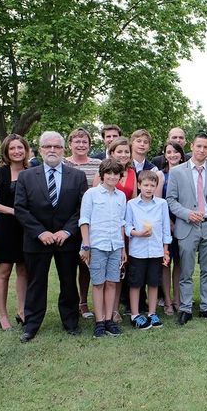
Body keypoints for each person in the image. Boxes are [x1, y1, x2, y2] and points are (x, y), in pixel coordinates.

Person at [14, 131, 88, 342]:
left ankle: (71, 322)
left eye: (57, 146)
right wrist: (40, 232)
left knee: (68, 282)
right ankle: (32, 325)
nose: (52, 150)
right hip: (37, 240)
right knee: (36, 283)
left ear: (63, 150)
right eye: (48, 146)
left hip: (67, 239)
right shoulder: (26, 176)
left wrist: (67, 230)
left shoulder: (77, 176)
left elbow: (81, 208)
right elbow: (20, 208)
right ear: (40, 150)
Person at [166, 133, 207, 325]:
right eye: (198, 146)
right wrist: (186, 214)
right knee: (186, 270)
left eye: (205, 147)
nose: (202, 150)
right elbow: (171, 200)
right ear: (192, 146)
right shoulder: (177, 172)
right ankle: (185, 308)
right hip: (187, 225)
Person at [78, 159, 127, 338]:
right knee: (98, 284)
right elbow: (84, 221)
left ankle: (108, 320)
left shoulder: (121, 197)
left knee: (112, 282)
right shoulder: (91, 194)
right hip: (97, 245)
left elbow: (122, 223)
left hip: (115, 245)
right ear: (102, 175)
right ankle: (99, 322)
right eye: (109, 173)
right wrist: (86, 246)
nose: (112, 177)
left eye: (116, 174)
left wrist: (123, 248)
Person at [92, 137, 137, 322]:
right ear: (111, 152)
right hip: (103, 231)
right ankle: (100, 313)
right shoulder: (102, 173)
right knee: (101, 272)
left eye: (127, 151)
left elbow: (133, 202)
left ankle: (115, 309)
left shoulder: (133, 173)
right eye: (120, 151)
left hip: (123, 228)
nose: (124, 155)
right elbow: (95, 203)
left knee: (119, 270)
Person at [0, 134, 30, 331]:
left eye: (20, 148)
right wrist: (11, 210)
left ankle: (22, 311)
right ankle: (2, 316)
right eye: (12, 148)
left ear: (26, 150)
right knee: (3, 272)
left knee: (23, 270)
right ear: (6, 151)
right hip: (5, 228)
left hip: (26, 228)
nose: (16, 151)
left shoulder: (32, 171)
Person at [125, 170, 172, 329]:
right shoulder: (131, 204)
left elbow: (166, 228)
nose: (149, 188)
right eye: (145, 185)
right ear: (139, 185)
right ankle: (135, 314)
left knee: (153, 282)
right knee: (136, 282)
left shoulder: (161, 204)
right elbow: (127, 226)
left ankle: (152, 313)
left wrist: (165, 250)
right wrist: (137, 233)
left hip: (156, 251)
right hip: (138, 250)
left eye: (152, 185)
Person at [64, 127, 101, 320]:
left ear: (89, 144)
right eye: (77, 141)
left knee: (87, 266)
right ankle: (70, 305)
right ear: (70, 144)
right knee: (69, 266)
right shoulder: (63, 163)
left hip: (92, 222)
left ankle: (84, 302)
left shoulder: (98, 164)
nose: (81, 145)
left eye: (84, 141)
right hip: (68, 221)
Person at [156, 141, 185, 315]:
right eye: (169, 152)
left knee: (180, 263)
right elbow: (159, 203)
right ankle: (167, 301)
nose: (172, 155)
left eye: (176, 152)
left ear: (181, 154)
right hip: (165, 223)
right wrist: (169, 223)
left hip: (184, 222)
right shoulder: (160, 175)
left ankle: (178, 300)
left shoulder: (186, 173)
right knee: (166, 263)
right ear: (165, 155)